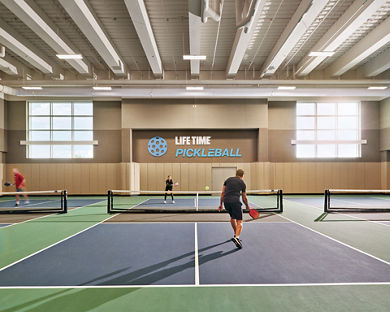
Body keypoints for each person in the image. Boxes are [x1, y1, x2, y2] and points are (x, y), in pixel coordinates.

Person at [218, 169, 249, 249]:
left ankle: (235, 234)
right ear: (242, 175)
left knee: (232, 218)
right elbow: (244, 197)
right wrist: (247, 206)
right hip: (235, 202)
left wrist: (220, 204)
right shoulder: (242, 183)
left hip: (226, 202)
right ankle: (237, 237)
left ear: (236, 174)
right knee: (240, 221)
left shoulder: (228, 180)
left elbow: (222, 193)